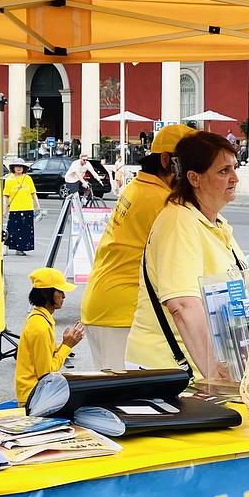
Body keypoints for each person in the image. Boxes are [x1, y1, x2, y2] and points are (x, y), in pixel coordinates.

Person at [125, 131, 246, 379]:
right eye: (223, 171)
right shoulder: (178, 221)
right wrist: (213, 370)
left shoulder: (213, 221)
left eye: (235, 167)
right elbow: (182, 304)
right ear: (194, 178)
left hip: (198, 370)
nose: (235, 178)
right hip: (170, 372)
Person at [81, 125, 196, 371]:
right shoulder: (160, 200)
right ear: (166, 160)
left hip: (107, 302)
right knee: (123, 397)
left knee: (114, 393)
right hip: (122, 310)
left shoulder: (139, 187)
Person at [15, 268, 84, 406]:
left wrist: (65, 344)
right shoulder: (40, 326)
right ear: (47, 294)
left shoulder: (41, 319)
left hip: (36, 393)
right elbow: (46, 374)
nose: (64, 296)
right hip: (34, 397)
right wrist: (67, 346)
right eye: (60, 292)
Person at [3, 157, 41, 257]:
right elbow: (5, 196)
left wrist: (38, 206)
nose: (19, 168)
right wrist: (4, 210)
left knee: (25, 230)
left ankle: (21, 249)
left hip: (27, 208)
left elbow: (33, 193)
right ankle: (5, 247)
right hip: (15, 208)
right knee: (11, 229)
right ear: (13, 168)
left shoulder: (28, 179)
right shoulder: (9, 179)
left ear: (24, 168)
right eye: (17, 167)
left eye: (21, 167)